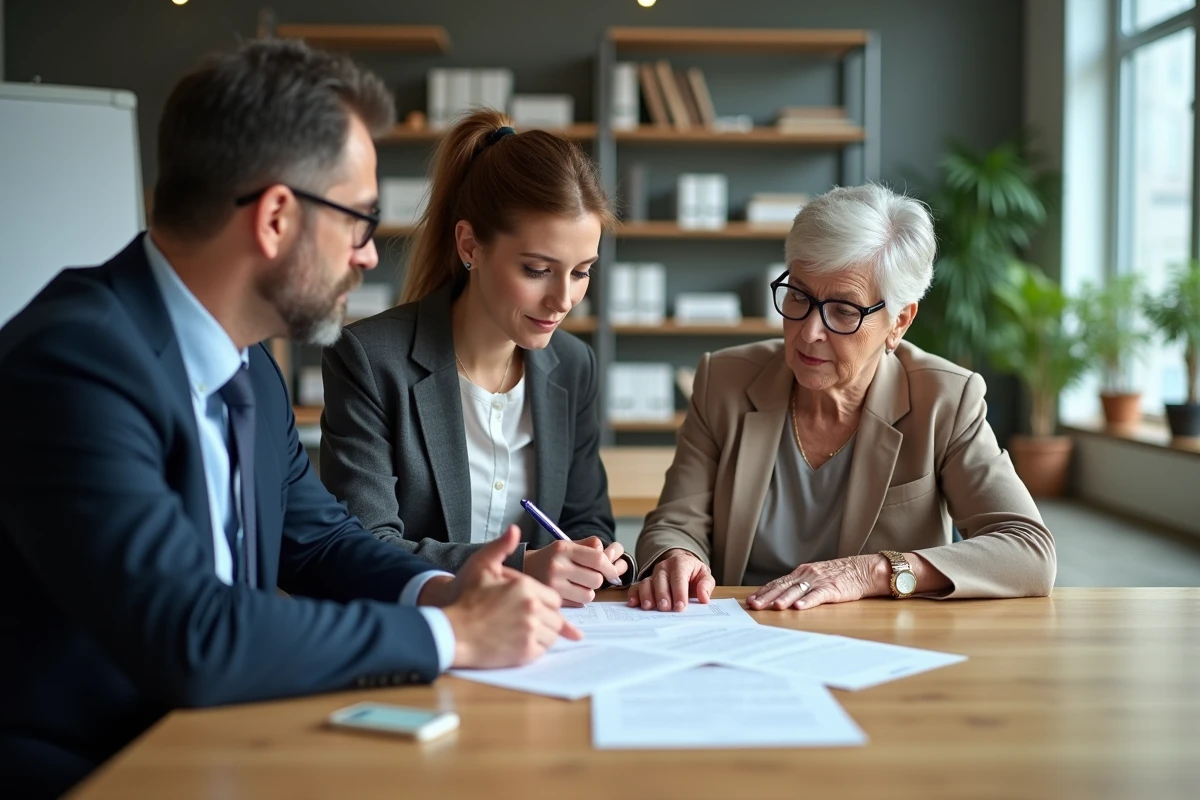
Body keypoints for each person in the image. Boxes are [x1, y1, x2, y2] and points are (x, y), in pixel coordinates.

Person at [0, 40, 580, 797]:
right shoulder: (73, 363)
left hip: (217, 745)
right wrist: (454, 635)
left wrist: (443, 590)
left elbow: (318, 542)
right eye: (360, 222)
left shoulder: (250, 368)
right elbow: (193, 634)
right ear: (276, 218)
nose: (371, 256)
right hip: (92, 771)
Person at [630, 184, 1056, 612]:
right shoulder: (723, 379)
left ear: (899, 322)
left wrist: (873, 571)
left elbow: (1028, 552)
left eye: (843, 311)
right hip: (746, 626)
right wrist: (676, 557)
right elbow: (675, 521)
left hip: (878, 640)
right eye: (798, 296)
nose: (810, 331)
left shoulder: (945, 400)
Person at [319, 108, 631, 607]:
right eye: (537, 269)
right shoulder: (370, 361)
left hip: (547, 646)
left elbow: (586, 519)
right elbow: (362, 548)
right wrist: (521, 566)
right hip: (422, 640)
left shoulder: (574, 366)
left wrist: (597, 557)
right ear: (471, 246)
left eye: (582, 272)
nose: (564, 299)